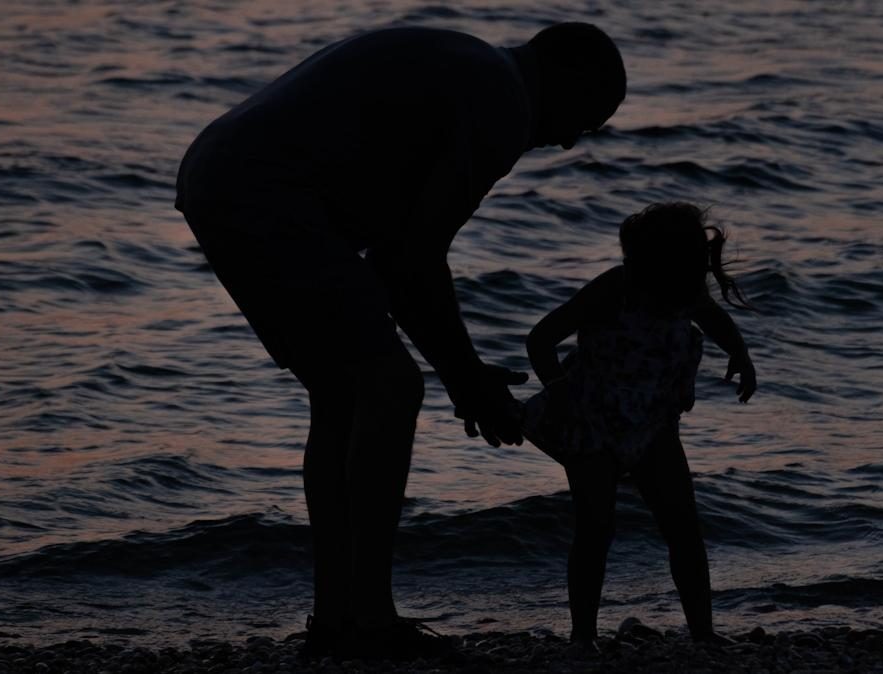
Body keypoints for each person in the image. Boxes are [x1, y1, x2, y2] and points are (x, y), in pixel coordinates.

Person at [174, 23, 626, 658]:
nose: (568, 139)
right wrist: (468, 383)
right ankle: (369, 618)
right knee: (389, 386)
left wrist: (465, 378)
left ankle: (337, 617)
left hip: (218, 173)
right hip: (266, 192)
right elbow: (411, 264)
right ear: (568, 74)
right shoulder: (502, 100)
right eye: (587, 117)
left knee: (344, 393)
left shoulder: (472, 65)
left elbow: (396, 258)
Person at [522, 202, 757, 648]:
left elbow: (717, 321)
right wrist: (558, 388)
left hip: (655, 428)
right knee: (595, 529)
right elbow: (540, 339)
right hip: (592, 427)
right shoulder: (618, 287)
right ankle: (583, 637)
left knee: (684, 528)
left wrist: (741, 356)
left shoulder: (685, 292)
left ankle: (703, 632)